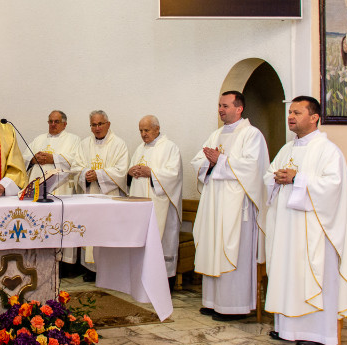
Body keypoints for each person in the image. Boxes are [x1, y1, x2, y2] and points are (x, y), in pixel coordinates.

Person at [263, 96, 347, 345]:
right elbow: (268, 175)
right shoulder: (287, 149)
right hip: (288, 227)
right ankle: (287, 328)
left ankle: (315, 333)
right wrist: (275, 179)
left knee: (311, 274)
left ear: (314, 117)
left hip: (314, 230)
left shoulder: (328, 150)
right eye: (290, 113)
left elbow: (333, 186)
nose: (291, 117)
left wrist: (299, 179)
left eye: (297, 112)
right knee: (288, 274)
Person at [191, 91, 269, 321]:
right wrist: (209, 162)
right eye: (219, 106)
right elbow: (198, 161)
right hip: (214, 204)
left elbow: (253, 168)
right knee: (213, 248)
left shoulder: (252, 135)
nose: (221, 110)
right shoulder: (215, 135)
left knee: (232, 249)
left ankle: (235, 306)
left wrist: (220, 160)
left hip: (237, 208)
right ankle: (212, 302)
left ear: (239, 108)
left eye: (225, 106)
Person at [75, 110, 129, 281]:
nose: (96, 128)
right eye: (93, 125)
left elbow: (122, 170)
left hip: (109, 197)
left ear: (108, 124)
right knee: (91, 230)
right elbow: (76, 166)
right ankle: (90, 270)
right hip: (90, 195)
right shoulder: (84, 144)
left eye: (100, 124)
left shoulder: (119, 144)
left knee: (106, 231)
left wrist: (99, 175)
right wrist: (84, 174)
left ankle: (109, 270)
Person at [128, 115, 183, 281]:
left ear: (157, 129)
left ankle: (164, 281)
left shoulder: (170, 148)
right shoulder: (140, 149)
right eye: (141, 131)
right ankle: (142, 279)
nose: (143, 134)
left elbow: (174, 175)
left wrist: (151, 173)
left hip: (162, 206)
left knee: (162, 242)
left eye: (147, 130)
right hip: (141, 206)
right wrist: (131, 173)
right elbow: (132, 172)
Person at [24, 110, 81, 264]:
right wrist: (34, 159)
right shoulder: (39, 139)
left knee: (60, 223)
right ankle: (38, 257)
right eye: (50, 121)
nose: (53, 125)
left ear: (64, 124)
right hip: (38, 188)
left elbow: (76, 160)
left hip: (61, 189)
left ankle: (64, 262)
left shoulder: (73, 139)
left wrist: (53, 158)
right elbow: (24, 157)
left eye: (56, 121)